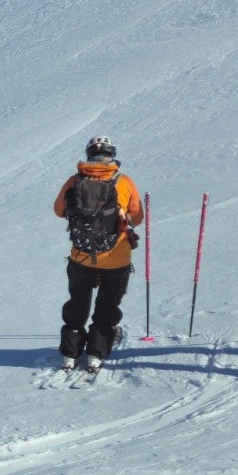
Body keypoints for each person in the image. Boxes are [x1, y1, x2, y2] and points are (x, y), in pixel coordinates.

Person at [53, 136, 144, 374]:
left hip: (81, 255)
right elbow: (138, 218)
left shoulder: (74, 181)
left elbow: (59, 211)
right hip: (116, 258)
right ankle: (95, 353)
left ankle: (69, 354)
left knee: (77, 302)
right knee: (108, 304)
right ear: (111, 155)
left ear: (88, 154)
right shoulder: (123, 181)